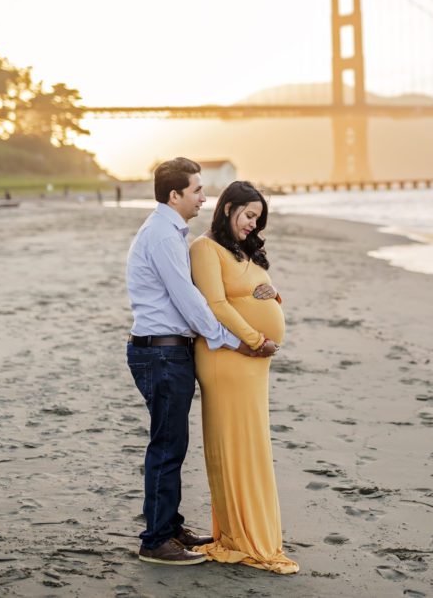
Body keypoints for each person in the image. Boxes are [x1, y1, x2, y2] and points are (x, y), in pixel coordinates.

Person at [125, 158, 268, 566]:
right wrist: (232, 341)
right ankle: (156, 540)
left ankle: (169, 527)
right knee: (167, 445)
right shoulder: (162, 236)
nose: (205, 197)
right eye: (197, 190)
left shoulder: (169, 232)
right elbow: (190, 301)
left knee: (172, 443)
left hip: (167, 350)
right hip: (162, 352)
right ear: (175, 195)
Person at [189, 181, 299, 574]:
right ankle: (240, 535)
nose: (253, 224)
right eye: (249, 215)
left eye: (258, 219)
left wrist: (273, 295)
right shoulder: (205, 248)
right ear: (227, 208)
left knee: (253, 444)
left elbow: (249, 291)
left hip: (253, 361)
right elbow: (216, 304)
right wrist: (255, 339)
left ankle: (251, 531)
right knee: (235, 446)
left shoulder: (240, 249)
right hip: (229, 358)